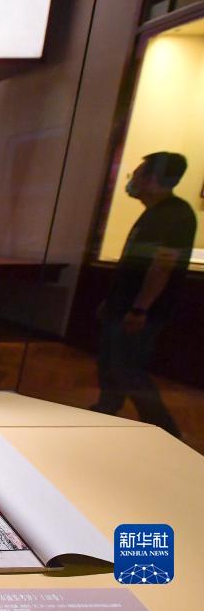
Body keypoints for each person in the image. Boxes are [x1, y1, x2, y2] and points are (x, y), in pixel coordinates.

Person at [91, 152, 197, 437]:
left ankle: (165, 431)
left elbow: (162, 267)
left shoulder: (176, 215)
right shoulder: (157, 212)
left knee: (127, 369)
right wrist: (114, 301)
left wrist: (140, 309)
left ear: (152, 179)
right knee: (111, 363)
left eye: (137, 175)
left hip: (141, 311)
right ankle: (105, 410)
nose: (132, 180)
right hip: (125, 305)